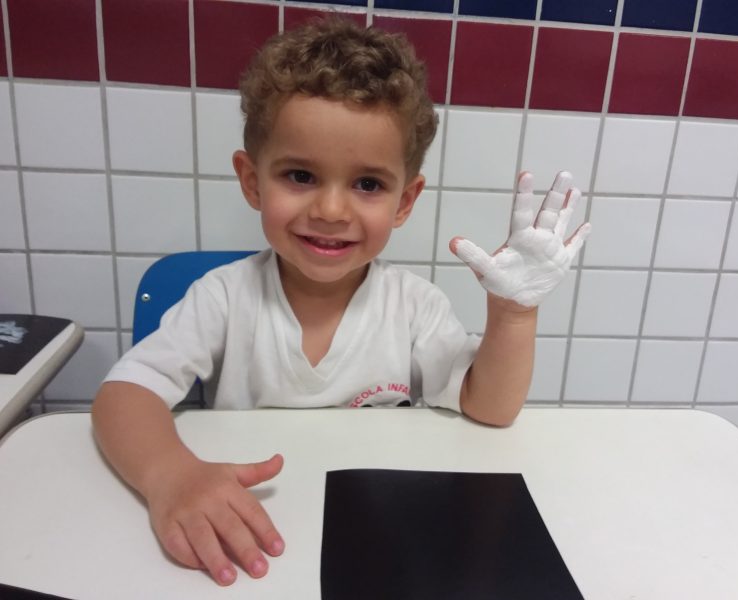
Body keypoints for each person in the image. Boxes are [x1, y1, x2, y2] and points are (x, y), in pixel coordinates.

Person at [91, 17, 590, 587]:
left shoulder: (414, 307)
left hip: (378, 543)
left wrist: (515, 313)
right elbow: (123, 395)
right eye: (300, 175)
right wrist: (171, 476)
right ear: (252, 181)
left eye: (368, 184)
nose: (331, 210)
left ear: (405, 201)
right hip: (252, 537)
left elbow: (491, 408)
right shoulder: (223, 298)